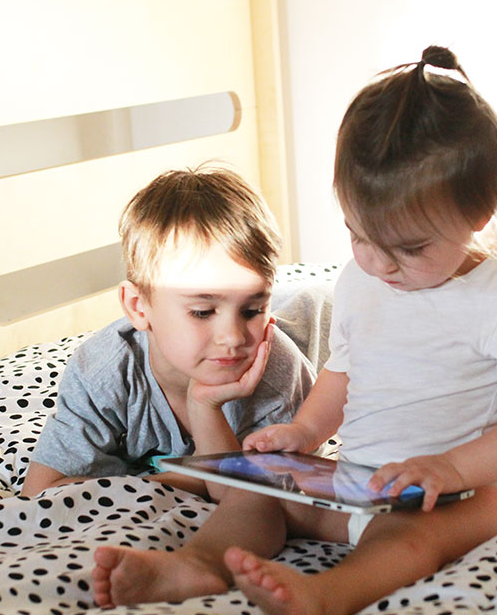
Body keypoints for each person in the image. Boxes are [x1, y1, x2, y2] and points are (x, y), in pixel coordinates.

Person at [90, 46, 497, 614]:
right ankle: (195, 568)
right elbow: (343, 374)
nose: (379, 263)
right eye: (359, 235)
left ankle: (326, 595)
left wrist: (450, 469)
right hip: (358, 483)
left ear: (479, 215)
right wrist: (302, 430)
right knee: (257, 499)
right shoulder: (359, 282)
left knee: (408, 538)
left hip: (471, 495)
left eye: (410, 248)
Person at [20, 166, 315, 499]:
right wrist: (201, 476)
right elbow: (40, 491)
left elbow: (264, 495)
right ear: (138, 307)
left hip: (313, 314)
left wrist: (206, 409)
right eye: (202, 312)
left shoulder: (277, 371)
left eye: (252, 310)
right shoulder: (101, 374)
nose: (233, 337)